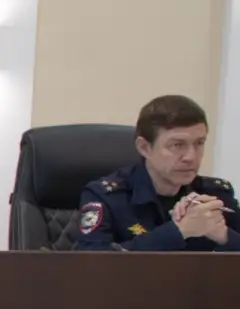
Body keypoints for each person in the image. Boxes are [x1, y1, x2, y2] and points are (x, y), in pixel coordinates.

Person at [76, 94, 239, 251]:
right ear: (144, 148)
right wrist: (178, 232)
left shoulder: (215, 195)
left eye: (199, 143)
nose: (191, 156)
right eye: (177, 145)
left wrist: (224, 235)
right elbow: (91, 262)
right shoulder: (107, 197)